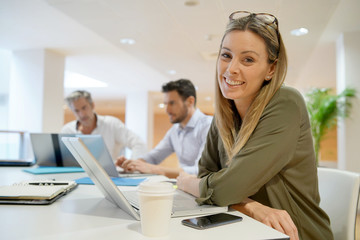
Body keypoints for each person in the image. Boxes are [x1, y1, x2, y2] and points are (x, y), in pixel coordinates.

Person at [176, 11, 333, 240]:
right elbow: (208, 175)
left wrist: (188, 182)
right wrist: (251, 206)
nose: (231, 69)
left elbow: (220, 188)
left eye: (247, 59)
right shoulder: (224, 113)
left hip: (296, 233)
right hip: (246, 227)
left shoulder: (286, 103)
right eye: (226, 55)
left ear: (271, 69)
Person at [117, 79, 212, 178]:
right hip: (186, 185)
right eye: (166, 104)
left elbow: (201, 170)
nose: (167, 110)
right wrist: (132, 164)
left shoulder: (208, 126)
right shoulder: (175, 130)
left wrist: (155, 169)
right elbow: (153, 157)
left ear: (190, 101)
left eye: (172, 103)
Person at [61, 90, 147, 161]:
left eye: (84, 108)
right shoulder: (67, 131)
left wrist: (133, 165)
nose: (82, 114)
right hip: (77, 176)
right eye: (76, 110)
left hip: (111, 177)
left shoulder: (112, 124)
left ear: (92, 105)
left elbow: (138, 144)